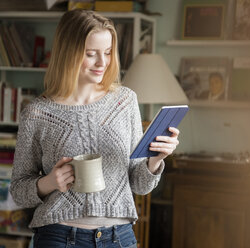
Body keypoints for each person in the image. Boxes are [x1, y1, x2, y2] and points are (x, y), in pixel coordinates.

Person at [10, 9, 180, 248]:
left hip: (118, 238)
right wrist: (49, 182)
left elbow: (140, 186)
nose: (102, 62)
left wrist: (155, 161)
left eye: (108, 52)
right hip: (59, 238)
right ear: (68, 53)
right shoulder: (37, 112)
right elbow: (18, 191)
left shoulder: (125, 102)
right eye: (91, 54)